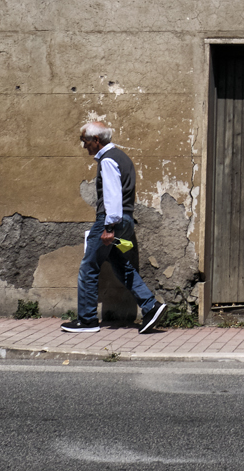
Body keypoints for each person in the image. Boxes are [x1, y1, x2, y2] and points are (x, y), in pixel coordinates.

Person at [62, 121, 166, 334]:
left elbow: (112, 195)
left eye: (85, 141)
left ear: (96, 140)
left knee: (89, 268)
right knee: (120, 265)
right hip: (125, 221)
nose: (84, 147)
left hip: (111, 221)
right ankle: (150, 306)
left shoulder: (108, 160)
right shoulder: (122, 157)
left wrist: (108, 227)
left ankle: (87, 320)